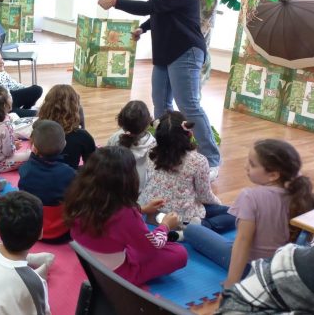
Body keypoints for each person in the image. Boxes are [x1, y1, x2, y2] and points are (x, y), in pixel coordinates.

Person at [97, 0, 221, 179]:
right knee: (161, 105)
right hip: (167, 51)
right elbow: (160, 12)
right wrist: (143, 28)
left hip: (185, 50)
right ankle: (168, 150)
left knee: (189, 105)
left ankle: (212, 160)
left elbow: (150, 6)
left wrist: (115, 1)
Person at [184, 139, 314, 288]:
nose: (246, 166)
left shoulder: (249, 197)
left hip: (253, 270)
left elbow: (242, 242)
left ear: (273, 175)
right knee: (229, 214)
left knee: (192, 230)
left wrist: (231, 283)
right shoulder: (301, 195)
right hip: (284, 269)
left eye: (252, 164)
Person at [65, 146, 188, 286]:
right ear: (127, 179)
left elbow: (104, 215)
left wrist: (142, 209)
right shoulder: (126, 214)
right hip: (116, 275)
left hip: (87, 261)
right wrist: (165, 225)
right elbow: (152, 248)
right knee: (179, 253)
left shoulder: (78, 196)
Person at [138, 111, 233, 235]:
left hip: (150, 212)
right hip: (179, 220)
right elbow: (204, 196)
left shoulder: (151, 151)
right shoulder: (198, 160)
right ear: (189, 134)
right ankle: (194, 229)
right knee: (235, 213)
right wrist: (218, 204)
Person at [0, 191, 55, 314]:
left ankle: (33, 268)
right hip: (27, 283)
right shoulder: (35, 284)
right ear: (40, 233)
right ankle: (36, 271)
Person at [216, 243, 314, 314]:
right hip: (268, 271)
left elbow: (242, 242)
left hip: (256, 268)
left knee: (204, 229)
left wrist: (229, 285)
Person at [19, 120, 76, 243]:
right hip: (62, 233)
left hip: (33, 231)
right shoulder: (69, 173)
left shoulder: (25, 170)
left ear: (34, 148)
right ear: (64, 144)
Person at [37, 84, 95, 169]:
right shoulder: (82, 136)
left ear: (46, 106)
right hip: (69, 175)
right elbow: (93, 167)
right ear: (75, 108)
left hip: (40, 173)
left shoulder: (38, 130)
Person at [0, 49, 42, 118]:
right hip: (3, 109)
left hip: (10, 99)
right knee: (37, 114)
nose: (2, 62)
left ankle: (25, 110)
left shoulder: (2, 73)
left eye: (1, 59)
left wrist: (28, 90)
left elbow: (14, 85)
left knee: (37, 89)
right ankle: (19, 113)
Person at [107, 100, 156, 191]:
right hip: (142, 191)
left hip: (116, 188)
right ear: (148, 123)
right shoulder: (154, 144)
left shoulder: (114, 138)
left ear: (121, 122)